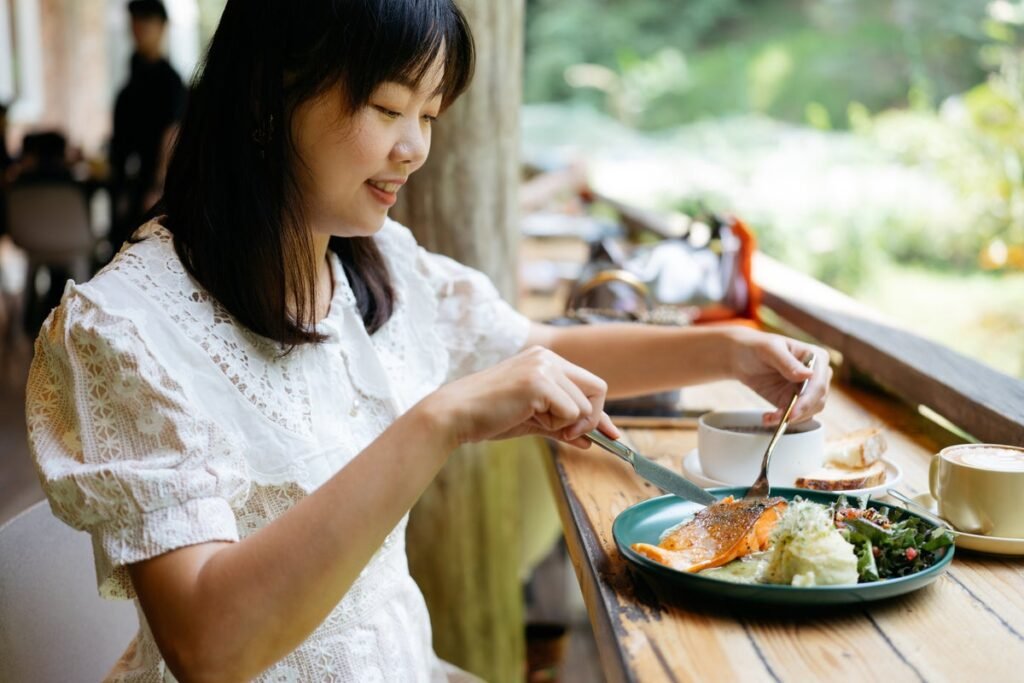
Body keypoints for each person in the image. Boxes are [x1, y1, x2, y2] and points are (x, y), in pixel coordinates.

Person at [25, 1, 832, 681]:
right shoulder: (125, 329)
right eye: (388, 108)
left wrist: (730, 349)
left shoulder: (374, 269)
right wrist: (437, 420)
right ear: (271, 100)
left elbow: (534, 345)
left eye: (429, 115)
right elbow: (211, 644)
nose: (415, 148)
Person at [107, 0, 184, 254]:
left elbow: (171, 135)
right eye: (135, 23)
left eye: (145, 23)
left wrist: (158, 186)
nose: (138, 30)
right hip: (127, 182)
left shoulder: (170, 82)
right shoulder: (131, 80)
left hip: (154, 187)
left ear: (161, 27)